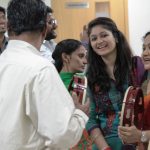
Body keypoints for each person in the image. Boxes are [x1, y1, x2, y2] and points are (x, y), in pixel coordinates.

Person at [0, 0, 88, 150]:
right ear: (43, 30)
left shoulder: (3, 61)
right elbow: (62, 136)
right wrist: (79, 114)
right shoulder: (41, 69)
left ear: (9, 27)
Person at [85, 17, 145, 150]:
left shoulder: (136, 65)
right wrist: (105, 148)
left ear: (116, 37)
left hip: (138, 140)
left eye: (104, 35)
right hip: (105, 144)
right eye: (94, 38)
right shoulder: (90, 76)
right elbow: (91, 119)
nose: (99, 41)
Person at [52, 39, 92, 150]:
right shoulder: (52, 83)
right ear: (65, 57)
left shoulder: (84, 81)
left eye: (85, 56)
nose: (85, 61)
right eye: (80, 56)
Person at [118, 32, 150, 147]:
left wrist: (142, 135)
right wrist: (132, 115)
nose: (145, 53)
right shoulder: (145, 82)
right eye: (144, 48)